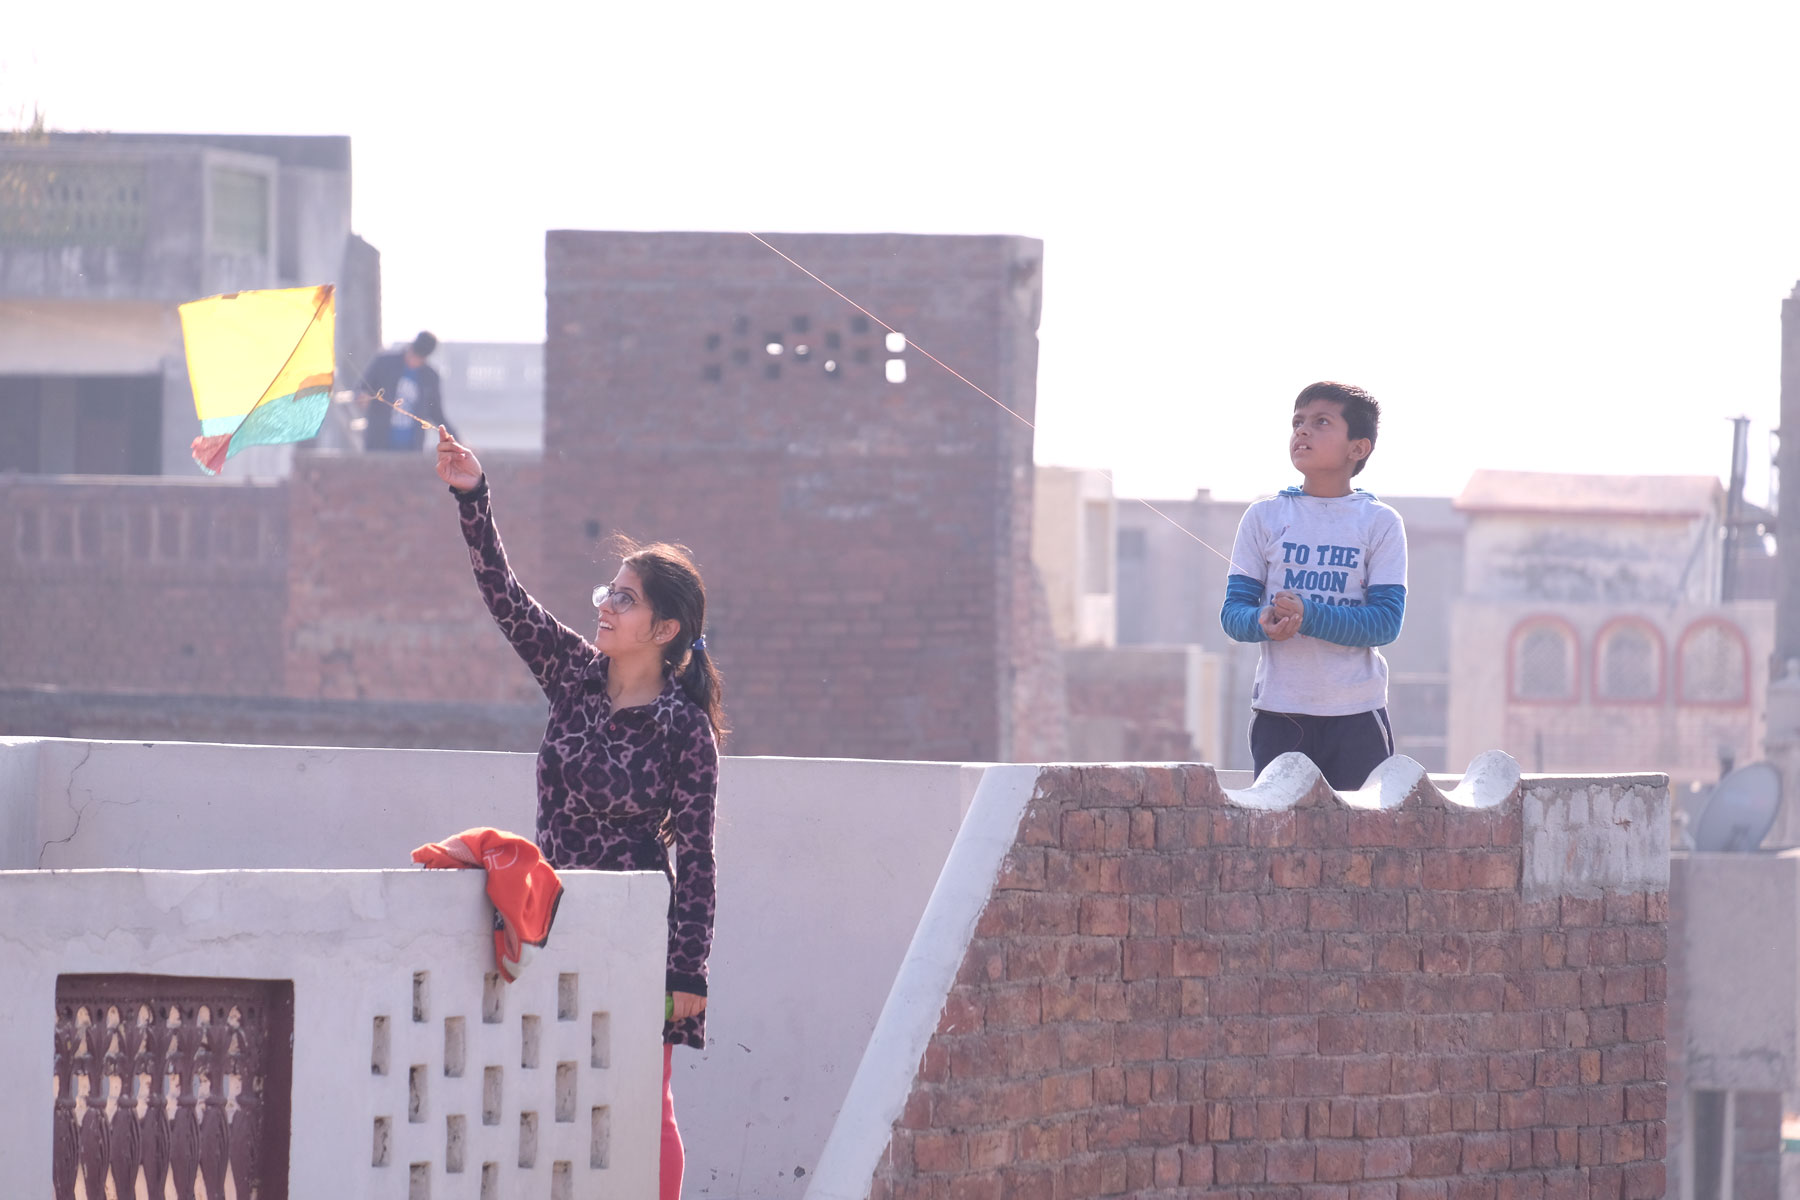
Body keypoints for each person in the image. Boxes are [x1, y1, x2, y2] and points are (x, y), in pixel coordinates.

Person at [435, 425, 720, 1200]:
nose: (605, 607)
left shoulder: (684, 732)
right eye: (608, 592)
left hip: (637, 931)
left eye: (623, 600)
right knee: (550, 1094)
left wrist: (688, 972)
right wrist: (474, 497)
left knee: (642, 1099)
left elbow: (696, 858)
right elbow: (505, 596)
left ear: (664, 631)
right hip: (551, 917)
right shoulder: (572, 676)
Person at [1219, 381, 1408, 790]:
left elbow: (1386, 623)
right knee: (1280, 841)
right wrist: (1262, 621)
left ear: (1358, 448)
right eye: (1297, 422)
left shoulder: (1380, 522)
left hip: (1357, 713)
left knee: (1358, 840)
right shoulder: (1263, 517)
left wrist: (1309, 616)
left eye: (1321, 422)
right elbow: (1233, 613)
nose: (1302, 431)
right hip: (1279, 713)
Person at [360, 332, 454, 452]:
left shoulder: (430, 376)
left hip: (411, 448)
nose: (414, 361)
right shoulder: (383, 362)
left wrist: (456, 439)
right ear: (410, 347)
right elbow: (362, 388)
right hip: (378, 444)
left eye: (419, 359)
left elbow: (437, 414)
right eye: (413, 356)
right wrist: (363, 397)